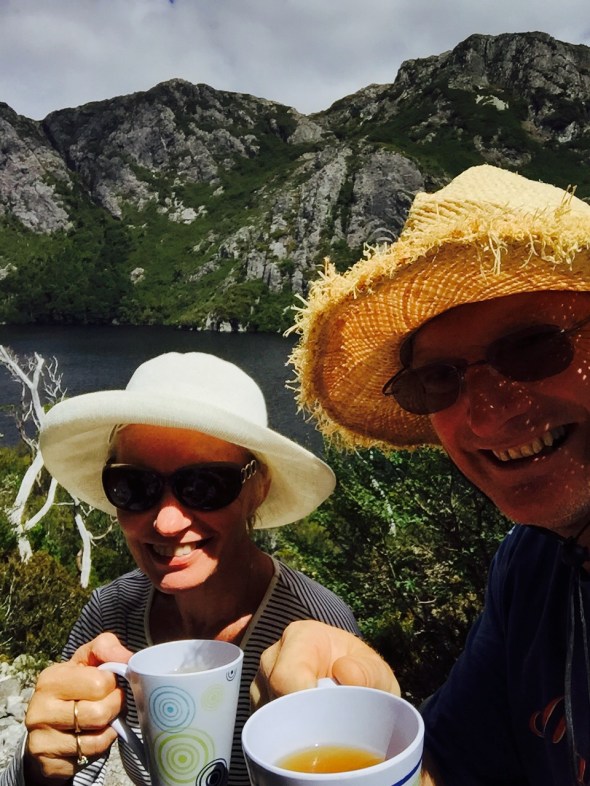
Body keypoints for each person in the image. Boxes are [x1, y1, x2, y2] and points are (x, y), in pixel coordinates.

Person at [252, 165, 590, 785]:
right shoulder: (531, 566)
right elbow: (452, 772)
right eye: (438, 380)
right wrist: (375, 725)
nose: (487, 420)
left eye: (533, 347)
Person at [1, 352, 359, 786]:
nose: (167, 523)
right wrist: (39, 768)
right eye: (135, 486)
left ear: (258, 488)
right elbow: (70, 765)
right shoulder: (111, 614)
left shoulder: (314, 625)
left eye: (205, 485)